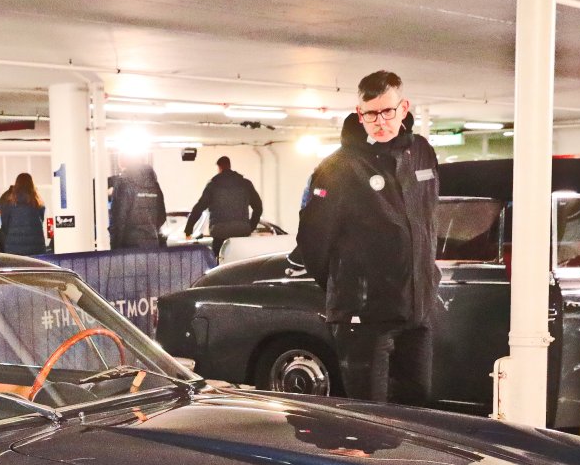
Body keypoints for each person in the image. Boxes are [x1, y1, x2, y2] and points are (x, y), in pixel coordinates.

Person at [292, 70, 440, 407]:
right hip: (365, 317)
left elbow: (427, 219)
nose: (380, 121)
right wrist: (348, 286)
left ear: (404, 108)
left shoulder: (421, 153)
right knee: (371, 415)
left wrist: (425, 278)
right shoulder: (340, 167)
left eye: (387, 111)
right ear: (359, 114)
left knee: (419, 410)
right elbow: (313, 239)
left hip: (416, 310)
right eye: (371, 114)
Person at [185, 155, 263, 259]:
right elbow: (258, 207)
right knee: (242, 261)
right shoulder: (245, 184)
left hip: (220, 233)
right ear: (229, 166)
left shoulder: (213, 185)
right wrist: (250, 226)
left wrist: (189, 229)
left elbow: (199, 207)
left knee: (220, 261)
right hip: (241, 232)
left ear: (219, 168)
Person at [108, 159, 166, 249]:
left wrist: (115, 248)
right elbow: (162, 216)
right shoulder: (154, 185)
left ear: (122, 163)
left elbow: (118, 221)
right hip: (152, 245)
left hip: (129, 248)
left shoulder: (123, 183)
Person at [0, 172, 47, 256]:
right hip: (36, 247)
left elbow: (5, 225)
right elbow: (41, 220)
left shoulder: (9, 203)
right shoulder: (38, 203)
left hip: (14, 248)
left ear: (17, 185)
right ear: (31, 185)